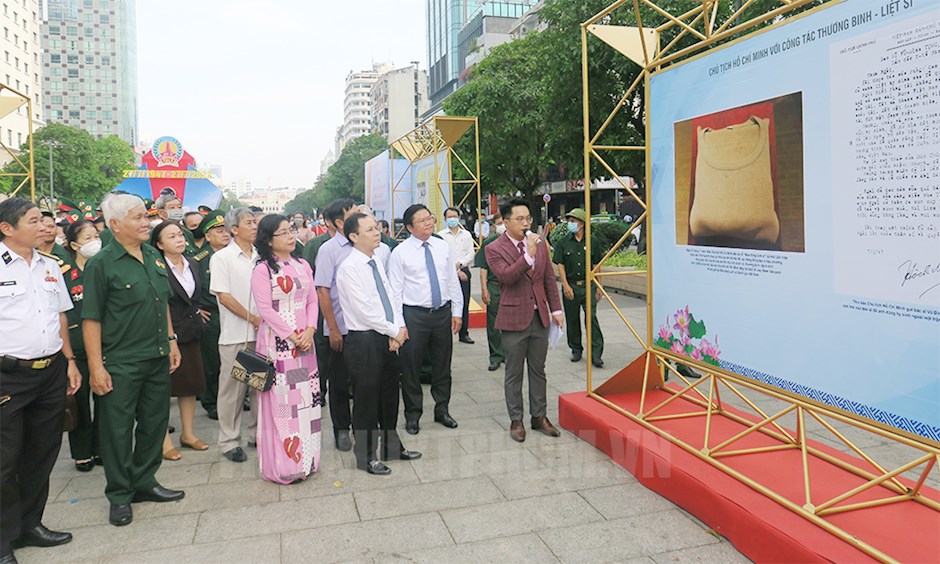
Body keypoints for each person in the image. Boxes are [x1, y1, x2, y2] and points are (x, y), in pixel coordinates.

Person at [82, 194, 185, 528]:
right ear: (114, 225)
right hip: (120, 362)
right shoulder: (101, 264)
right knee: (117, 430)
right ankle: (120, 494)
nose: (146, 223)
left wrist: (170, 340)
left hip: (156, 356)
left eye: (146, 216)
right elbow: (92, 319)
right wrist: (96, 367)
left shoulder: (153, 254)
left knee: (155, 424)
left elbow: (162, 302)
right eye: (138, 218)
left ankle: (144, 481)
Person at [0, 198, 81, 563]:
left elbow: (60, 316)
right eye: (34, 221)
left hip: (50, 371)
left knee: (41, 452)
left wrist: (70, 362)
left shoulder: (49, 266)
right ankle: (3, 539)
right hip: (7, 376)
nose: (45, 226)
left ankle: (31, 523)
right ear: (8, 228)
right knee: (5, 459)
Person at [336, 213, 421, 474]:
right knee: (366, 400)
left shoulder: (376, 261)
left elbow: (390, 298)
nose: (377, 232)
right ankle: (365, 455)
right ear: (353, 236)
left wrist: (397, 329)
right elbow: (365, 311)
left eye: (377, 228)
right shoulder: (350, 268)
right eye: (370, 229)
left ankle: (391, 446)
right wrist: (395, 330)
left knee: (389, 394)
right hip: (364, 340)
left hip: (386, 335)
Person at [484, 198, 564, 443]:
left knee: (538, 370)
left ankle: (539, 416)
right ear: (505, 222)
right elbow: (506, 277)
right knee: (514, 372)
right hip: (513, 318)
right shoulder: (494, 248)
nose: (525, 223)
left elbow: (548, 279)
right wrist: (527, 256)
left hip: (539, 316)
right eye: (520, 219)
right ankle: (516, 419)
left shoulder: (540, 245)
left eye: (528, 218)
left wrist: (556, 310)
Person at [250, 215, 322, 483]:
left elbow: (312, 300)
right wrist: (292, 335)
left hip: (305, 346)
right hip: (277, 347)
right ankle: (283, 464)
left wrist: (311, 330)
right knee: (283, 404)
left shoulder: (303, 265)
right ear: (269, 241)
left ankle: (308, 459)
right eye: (283, 233)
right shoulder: (262, 271)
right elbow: (265, 309)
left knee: (306, 401)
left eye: (291, 230)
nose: (291, 236)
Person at [387, 204, 463, 435]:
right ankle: (413, 414)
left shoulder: (442, 246)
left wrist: (457, 311)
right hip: (414, 316)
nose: (428, 222)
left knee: (442, 364)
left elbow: (451, 280)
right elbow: (395, 291)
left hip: (441, 314)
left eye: (429, 217)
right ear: (409, 227)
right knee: (410, 368)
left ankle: (442, 410)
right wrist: (400, 324)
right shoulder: (400, 252)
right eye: (421, 220)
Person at [151, 221, 209, 460]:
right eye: (171, 236)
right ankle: (163, 441)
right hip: (165, 334)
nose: (179, 239)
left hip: (191, 333)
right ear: (159, 244)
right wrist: (169, 336)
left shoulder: (193, 264)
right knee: (163, 389)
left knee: (190, 386)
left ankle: (188, 434)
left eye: (180, 235)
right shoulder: (156, 268)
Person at [209, 207, 260, 463]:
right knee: (233, 392)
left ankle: (256, 434)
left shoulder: (260, 256)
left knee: (258, 388)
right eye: (249, 222)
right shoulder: (223, 258)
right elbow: (224, 296)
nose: (254, 226)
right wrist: (253, 318)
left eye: (255, 221)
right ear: (234, 229)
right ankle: (229, 441)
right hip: (236, 336)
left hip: (260, 336)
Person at [313, 198, 358, 451]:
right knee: (339, 382)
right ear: (340, 222)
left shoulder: (369, 245)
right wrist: (332, 328)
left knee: (365, 381)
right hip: (340, 328)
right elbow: (322, 291)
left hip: (366, 328)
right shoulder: (329, 250)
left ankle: (362, 426)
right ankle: (341, 428)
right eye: (353, 214)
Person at [63, 219, 102, 472]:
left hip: (105, 344)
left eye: (96, 235)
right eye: (88, 238)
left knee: (105, 400)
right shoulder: (65, 274)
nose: (94, 241)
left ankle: (100, 448)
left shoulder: (105, 267)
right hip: (76, 347)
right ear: (75, 244)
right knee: (79, 400)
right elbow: (62, 314)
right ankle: (81, 452)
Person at [553, 209, 605, 368]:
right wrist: (565, 285)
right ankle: (576, 349)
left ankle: (596, 354)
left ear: (582, 224)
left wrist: (599, 285)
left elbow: (596, 265)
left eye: (573, 221)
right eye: (569, 220)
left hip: (588, 285)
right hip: (571, 286)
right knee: (572, 319)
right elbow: (560, 265)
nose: (570, 224)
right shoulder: (563, 242)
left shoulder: (592, 241)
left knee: (592, 319)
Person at [194, 211, 229, 420]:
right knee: (212, 360)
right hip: (212, 315)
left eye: (226, 229)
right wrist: (195, 309)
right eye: (218, 230)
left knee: (236, 359)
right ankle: (211, 401)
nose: (224, 233)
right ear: (207, 236)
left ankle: (236, 397)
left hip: (235, 314)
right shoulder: (199, 260)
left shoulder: (235, 255)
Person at [439, 207, 475, 345]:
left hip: (464, 270)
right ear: (445, 219)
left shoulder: (466, 235)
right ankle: (445, 333)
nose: (452, 219)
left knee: (464, 302)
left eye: (454, 216)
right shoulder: (441, 235)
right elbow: (442, 256)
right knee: (447, 304)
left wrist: (460, 265)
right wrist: (455, 271)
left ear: (459, 218)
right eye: (449, 216)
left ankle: (464, 333)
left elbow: (471, 253)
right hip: (447, 273)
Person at [475, 212, 506, 371]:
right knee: (493, 324)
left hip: (511, 287)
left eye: (504, 222)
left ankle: (509, 354)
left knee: (512, 323)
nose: (502, 226)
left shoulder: (517, 242)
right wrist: (484, 289)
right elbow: (483, 269)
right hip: (494, 286)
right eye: (498, 223)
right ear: (494, 226)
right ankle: (496, 356)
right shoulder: (488, 244)